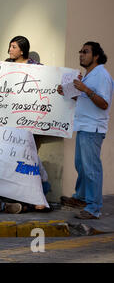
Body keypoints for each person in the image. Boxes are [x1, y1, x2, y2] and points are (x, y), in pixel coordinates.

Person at [58, 42, 113, 220]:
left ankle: (93, 208)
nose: (81, 54)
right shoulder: (89, 76)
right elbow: (84, 100)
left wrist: (85, 89)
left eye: (86, 52)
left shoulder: (101, 76)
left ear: (96, 56)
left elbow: (104, 103)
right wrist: (67, 92)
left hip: (93, 127)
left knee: (91, 169)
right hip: (83, 126)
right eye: (80, 51)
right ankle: (81, 198)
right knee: (81, 165)